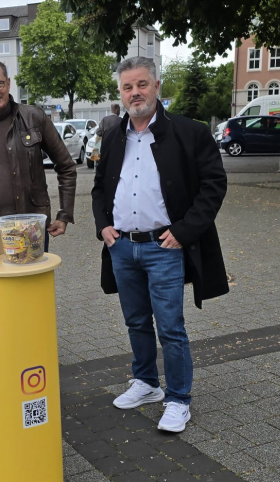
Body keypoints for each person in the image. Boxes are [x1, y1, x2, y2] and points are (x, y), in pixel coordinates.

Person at [91, 56, 229, 433]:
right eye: (127, 87)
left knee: (170, 327)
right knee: (136, 321)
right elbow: (100, 187)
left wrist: (185, 231)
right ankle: (147, 382)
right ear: (120, 93)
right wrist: (103, 226)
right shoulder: (114, 135)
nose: (135, 93)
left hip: (165, 247)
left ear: (156, 86)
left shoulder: (190, 132)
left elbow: (213, 185)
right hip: (122, 247)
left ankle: (178, 398)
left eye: (142, 84)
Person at [0, 57, 76, 246]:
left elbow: (66, 167)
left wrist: (64, 214)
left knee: (34, 268)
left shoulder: (34, 118)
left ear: (9, 83)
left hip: (32, 228)